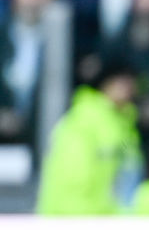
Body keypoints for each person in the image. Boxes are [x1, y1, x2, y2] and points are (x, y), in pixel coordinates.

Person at [35, 61, 141, 215]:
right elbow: (72, 180)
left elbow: (128, 176)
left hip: (106, 223)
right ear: (105, 83)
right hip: (77, 224)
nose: (128, 89)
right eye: (121, 82)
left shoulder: (126, 126)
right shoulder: (83, 121)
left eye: (130, 83)